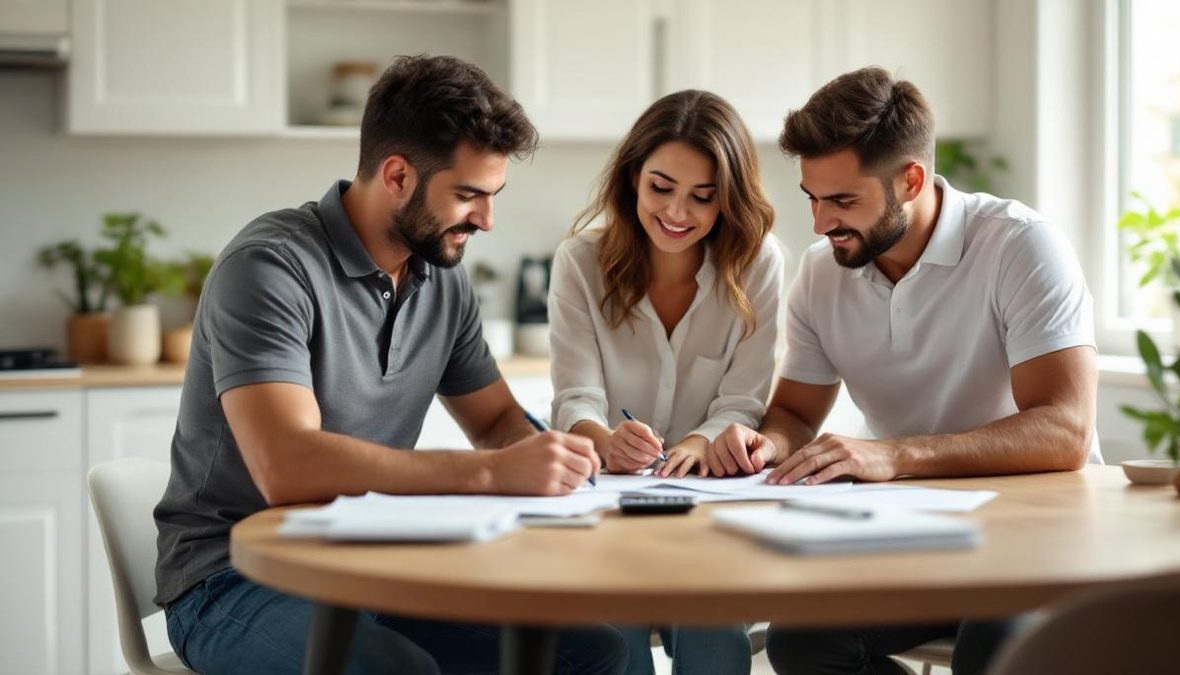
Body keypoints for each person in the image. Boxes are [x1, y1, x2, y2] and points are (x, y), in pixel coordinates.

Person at [153, 54, 627, 675]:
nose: (487, 219)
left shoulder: (442, 278)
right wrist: (490, 474)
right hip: (235, 576)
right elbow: (287, 467)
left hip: (376, 561)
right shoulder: (270, 267)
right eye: (468, 196)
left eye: (493, 196)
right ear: (398, 175)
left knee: (592, 651)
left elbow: (496, 423)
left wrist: (552, 458)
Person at [709, 67, 1099, 675]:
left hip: (1036, 540)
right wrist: (769, 444)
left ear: (910, 180)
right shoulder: (822, 271)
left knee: (998, 652)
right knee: (801, 642)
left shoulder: (1019, 246)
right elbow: (794, 412)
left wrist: (894, 455)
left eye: (842, 200)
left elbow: (1065, 430)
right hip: (915, 539)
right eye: (813, 198)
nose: (820, 223)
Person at [549, 89, 783, 675]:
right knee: (614, 626)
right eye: (661, 188)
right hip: (611, 501)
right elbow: (576, 395)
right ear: (633, 177)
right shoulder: (580, 261)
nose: (678, 213)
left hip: (716, 502)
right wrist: (602, 440)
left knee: (711, 622)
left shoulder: (760, 263)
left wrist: (702, 442)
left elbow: (744, 400)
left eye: (703, 198)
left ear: (728, 200)